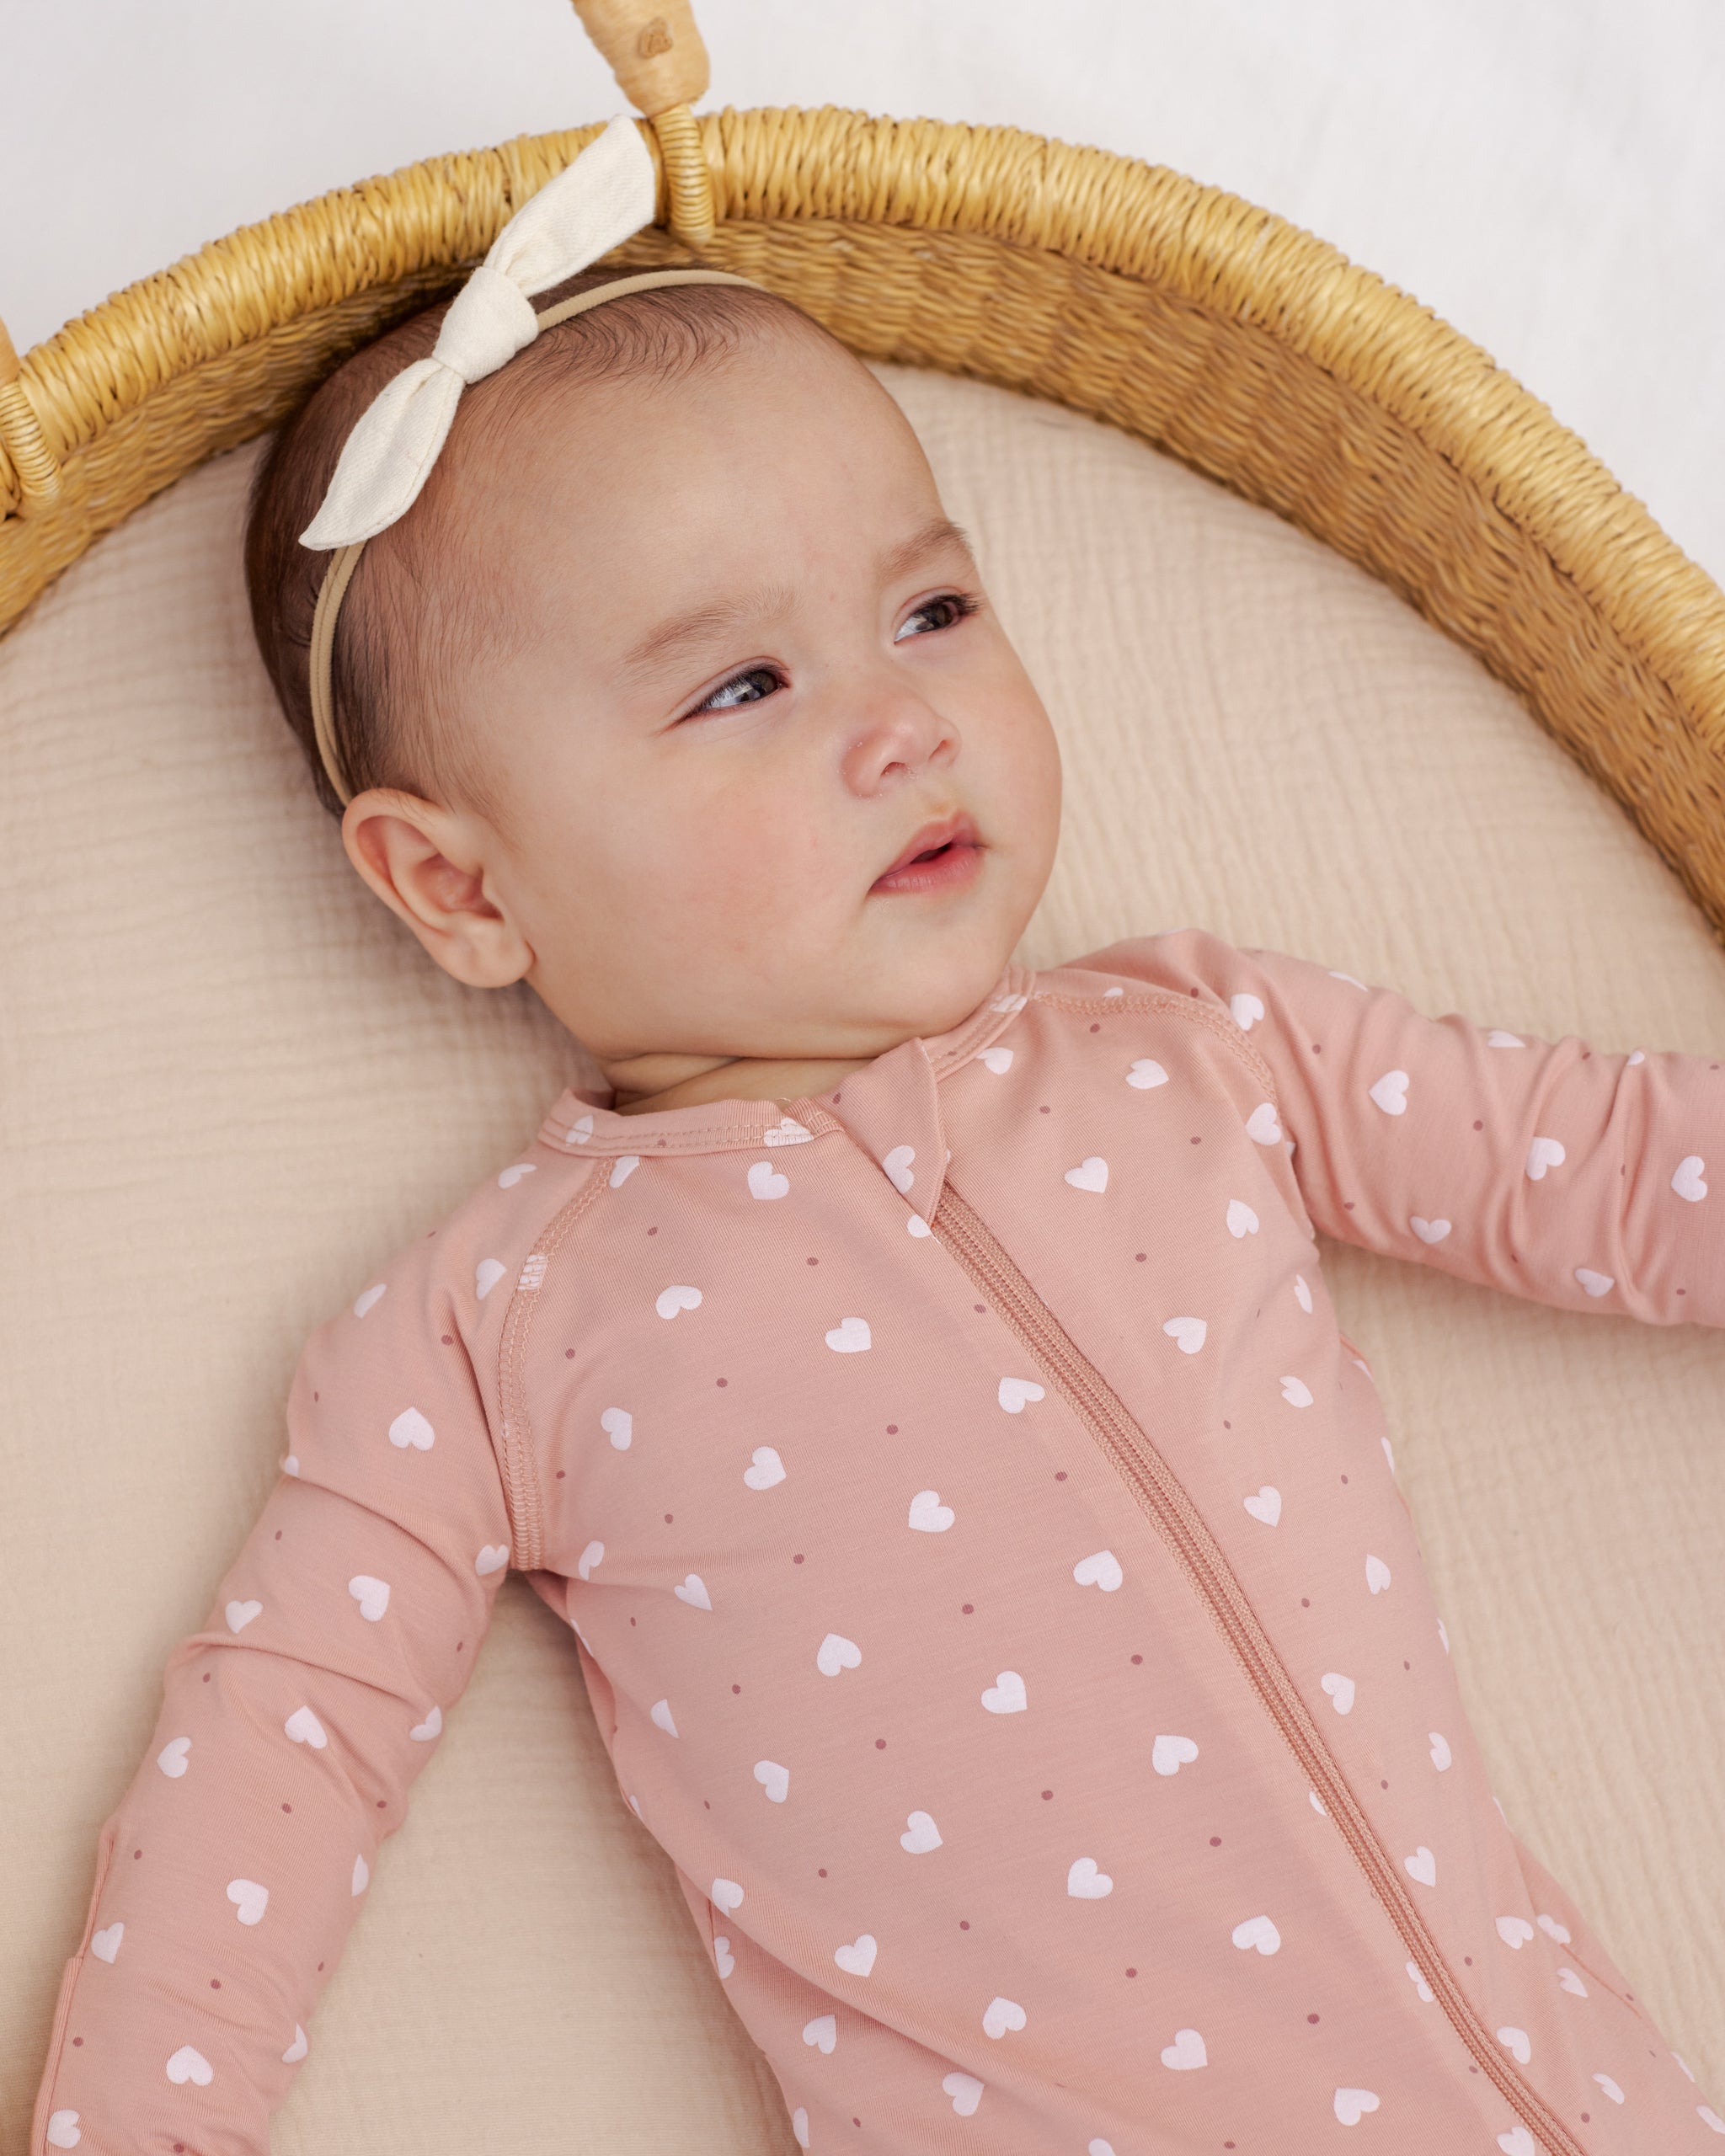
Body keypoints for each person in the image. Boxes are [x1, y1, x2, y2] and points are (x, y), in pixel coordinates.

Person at [31, 116, 1724, 2156]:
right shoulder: (497, 1328)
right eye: (742, 681)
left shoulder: (1198, 1048)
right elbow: (276, 1750)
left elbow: (1622, 1171)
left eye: (930, 610)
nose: (900, 718)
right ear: (463, 890)